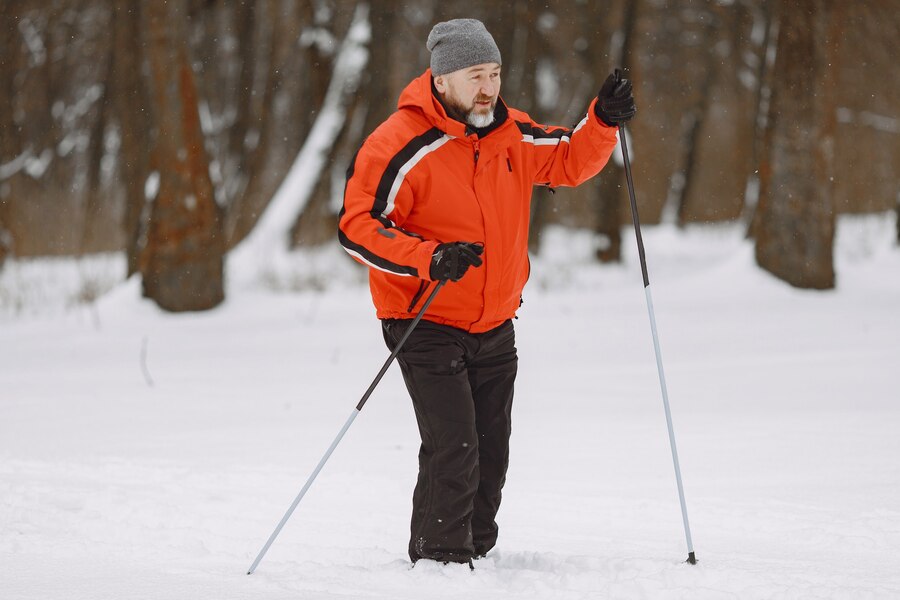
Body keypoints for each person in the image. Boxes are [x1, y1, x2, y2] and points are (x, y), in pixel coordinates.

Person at [338, 18, 636, 567]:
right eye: (476, 75)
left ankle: (476, 550)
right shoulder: (400, 142)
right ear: (443, 79)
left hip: (496, 321)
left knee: (491, 450)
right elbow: (357, 226)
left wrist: (602, 121)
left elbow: (569, 160)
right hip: (424, 320)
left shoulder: (511, 134)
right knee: (456, 445)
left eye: (495, 73)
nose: (488, 88)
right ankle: (441, 562)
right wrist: (429, 258)